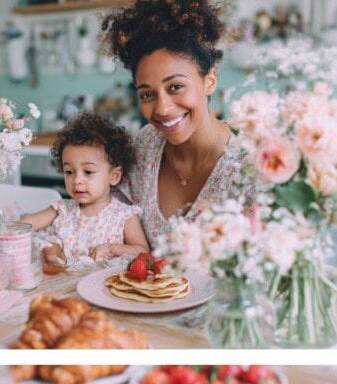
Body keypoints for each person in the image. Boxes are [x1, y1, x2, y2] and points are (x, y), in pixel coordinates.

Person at [99, 0, 252, 249]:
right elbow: (106, 220)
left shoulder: (251, 164)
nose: (162, 108)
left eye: (175, 87)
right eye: (147, 94)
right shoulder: (144, 146)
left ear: (209, 81)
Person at [20, 112, 150, 268]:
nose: (76, 180)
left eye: (88, 172)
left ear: (114, 176)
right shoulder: (61, 209)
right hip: (61, 286)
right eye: (69, 172)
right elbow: (25, 225)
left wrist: (112, 248)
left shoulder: (124, 216)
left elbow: (143, 252)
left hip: (101, 288)